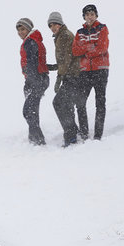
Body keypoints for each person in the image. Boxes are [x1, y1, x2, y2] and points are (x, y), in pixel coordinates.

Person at [72, 4, 110, 140]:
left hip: (100, 70)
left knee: (100, 102)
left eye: (92, 14)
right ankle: (84, 133)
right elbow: (75, 50)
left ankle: (98, 135)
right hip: (85, 71)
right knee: (80, 103)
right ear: (84, 16)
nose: (90, 16)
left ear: (96, 15)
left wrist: (86, 51)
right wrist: (91, 47)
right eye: (87, 14)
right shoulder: (79, 32)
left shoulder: (102, 28)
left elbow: (102, 47)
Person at [47, 11, 81, 147]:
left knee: (58, 103)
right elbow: (64, 61)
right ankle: (73, 131)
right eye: (50, 25)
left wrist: (58, 80)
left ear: (60, 24)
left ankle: (71, 135)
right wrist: (53, 67)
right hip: (71, 75)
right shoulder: (60, 36)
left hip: (73, 76)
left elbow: (67, 60)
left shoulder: (65, 36)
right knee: (65, 104)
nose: (53, 27)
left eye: (55, 24)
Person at [16, 18, 50, 145]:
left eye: (23, 29)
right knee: (32, 110)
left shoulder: (30, 42)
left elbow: (32, 63)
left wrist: (31, 81)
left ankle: (38, 140)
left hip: (37, 80)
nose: (20, 32)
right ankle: (34, 138)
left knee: (28, 111)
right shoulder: (33, 40)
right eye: (19, 30)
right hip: (38, 79)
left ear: (29, 29)